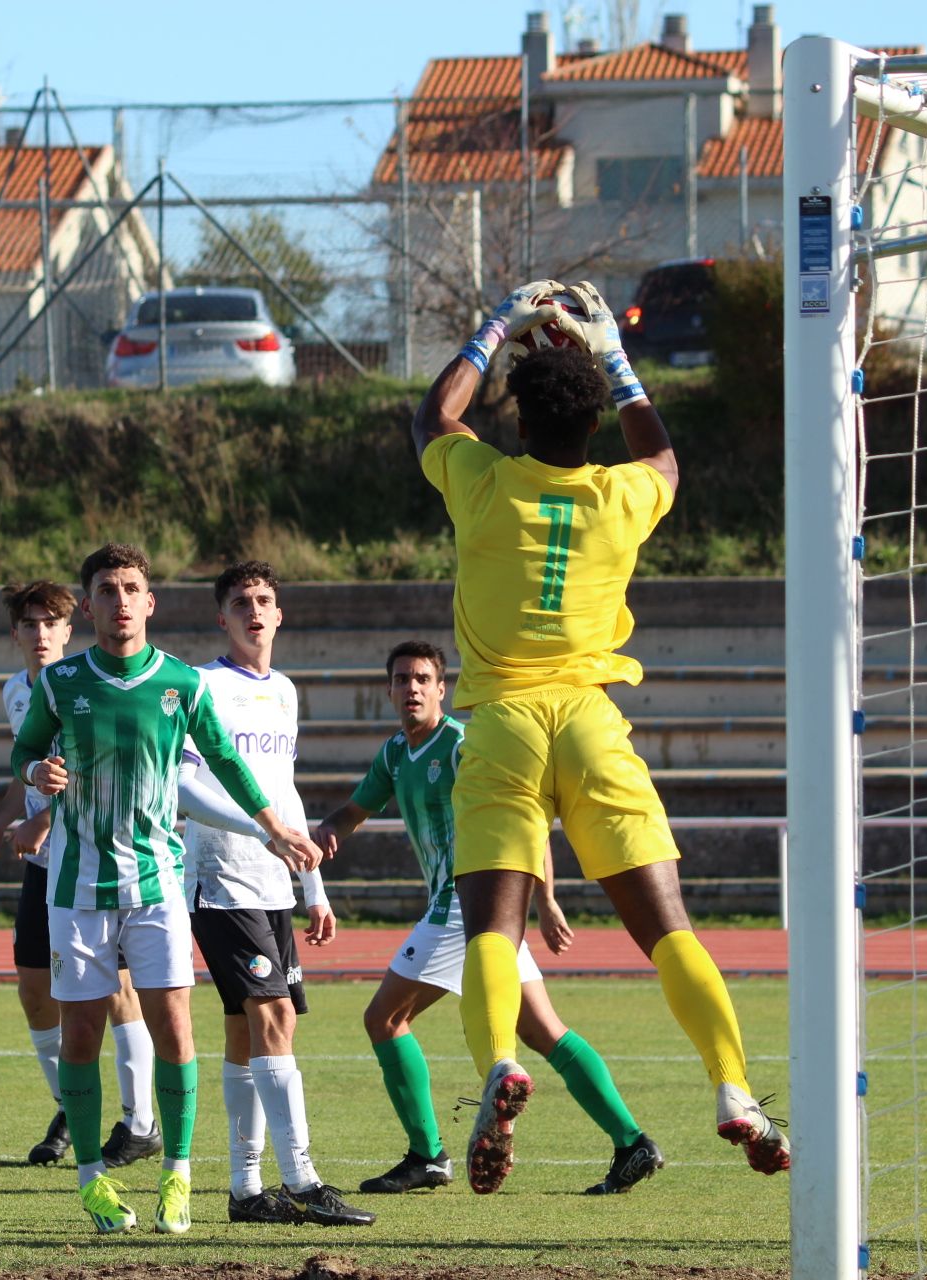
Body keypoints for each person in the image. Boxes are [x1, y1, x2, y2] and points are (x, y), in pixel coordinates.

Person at [412, 280, 790, 1194]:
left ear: (519, 411)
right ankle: (733, 1088)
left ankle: (502, 1060)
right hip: (590, 722)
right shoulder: (623, 496)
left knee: (493, 932)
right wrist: (617, 362)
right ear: (590, 422)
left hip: (501, 724)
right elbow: (663, 458)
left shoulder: (483, 481)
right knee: (668, 931)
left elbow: (433, 416)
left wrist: (497, 322)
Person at [9, 543, 323, 1235]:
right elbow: (23, 749)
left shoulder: (183, 684)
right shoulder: (61, 684)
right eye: (106, 589)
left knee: (175, 1029)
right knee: (82, 1034)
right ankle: (92, 1181)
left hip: (157, 885)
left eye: (131, 588)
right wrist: (36, 776)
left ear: (150, 602)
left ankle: (177, 1176)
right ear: (87, 605)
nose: (120, 600)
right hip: (77, 890)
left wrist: (273, 827)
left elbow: (228, 764)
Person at [315, 641, 662, 1199]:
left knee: (383, 1018)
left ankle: (427, 1154)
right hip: (487, 915)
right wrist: (324, 833)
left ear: (442, 688)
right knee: (542, 1030)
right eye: (402, 679)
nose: (412, 688)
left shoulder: (460, 747)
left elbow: (525, 817)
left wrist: (546, 901)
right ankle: (632, 1143)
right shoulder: (394, 754)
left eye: (423, 679)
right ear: (388, 690)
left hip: (464, 901)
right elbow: (353, 811)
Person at [177, 561, 375, 1227]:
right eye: (240, 602)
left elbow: (284, 792)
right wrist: (256, 831)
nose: (254, 612)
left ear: (279, 614)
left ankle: (244, 1190)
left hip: (273, 884)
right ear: (221, 617)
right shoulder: (201, 685)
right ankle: (304, 1179)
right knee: (273, 1020)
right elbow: (185, 788)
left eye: (264, 600)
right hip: (221, 879)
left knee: (246, 1028)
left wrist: (311, 882)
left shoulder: (285, 691)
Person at [0, 581, 161, 1170]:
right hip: (43, 867)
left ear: (68, 630)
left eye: (51, 622)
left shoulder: (85, 682)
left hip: (96, 857)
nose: (40, 634)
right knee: (34, 990)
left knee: (116, 992)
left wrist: (46, 821)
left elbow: (99, 768)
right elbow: (27, 767)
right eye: (29, 624)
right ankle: (70, 1107)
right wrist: (1, 819)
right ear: (16, 635)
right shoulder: (15, 692)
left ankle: (142, 1121)